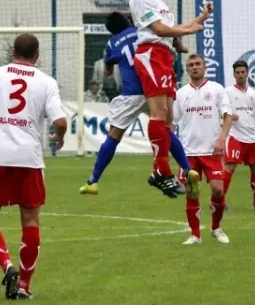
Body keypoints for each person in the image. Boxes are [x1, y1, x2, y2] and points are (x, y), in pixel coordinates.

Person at [0, 33, 67, 300]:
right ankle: (23, 285)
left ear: (13, 51)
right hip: (28, 158)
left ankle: (7, 266)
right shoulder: (46, 82)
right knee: (31, 221)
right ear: (37, 55)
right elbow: (60, 121)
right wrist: (60, 137)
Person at [79, 12, 191, 197]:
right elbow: (168, 35)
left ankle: (93, 181)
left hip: (131, 94)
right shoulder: (143, 31)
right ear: (129, 22)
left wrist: (110, 67)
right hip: (153, 89)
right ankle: (187, 169)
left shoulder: (112, 43)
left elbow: (107, 71)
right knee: (164, 130)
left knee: (113, 136)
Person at [129, 0, 211, 198]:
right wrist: (189, 29)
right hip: (150, 55)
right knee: (159, 113)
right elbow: (159, 30)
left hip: (164, 56)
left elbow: (171, 33)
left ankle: (159, 171)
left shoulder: (156, 0)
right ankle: (162, 169)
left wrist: (200, 19)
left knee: (168, 118)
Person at [173, 54, 233, 244]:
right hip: (188, 153)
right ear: (187, 69)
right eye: (191, 65)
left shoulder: (216, 89)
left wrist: (221, 139)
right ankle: (195, 235)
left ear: (205, 67)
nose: (194, 67)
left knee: (217, 189)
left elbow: (228, 116)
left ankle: (216, 228)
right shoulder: (181, 93)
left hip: (212, 151)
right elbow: (172, 124)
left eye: (198, 64)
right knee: (192, 192)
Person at [224, 60, 255, 212]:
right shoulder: (228, 92)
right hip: (235, 136)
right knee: (229, 167)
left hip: (252, 138)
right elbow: (220, 110)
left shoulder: (254, 94)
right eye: (238, 72)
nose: (241, 75)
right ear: (234, 74)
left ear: (247, 73)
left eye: (243, 72)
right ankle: (219, 201)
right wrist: (229, 115)